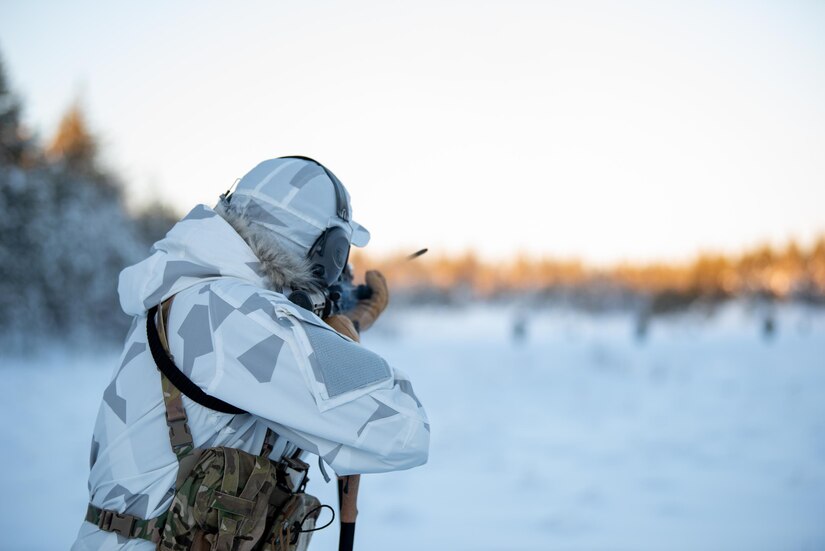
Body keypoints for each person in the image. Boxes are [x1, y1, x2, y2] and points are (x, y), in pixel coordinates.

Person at [72, 156, 430, 550]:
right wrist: (342, 335)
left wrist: (343, 320)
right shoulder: (232, 315)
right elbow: (404, 429)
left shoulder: (201, 295)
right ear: (324, 251)